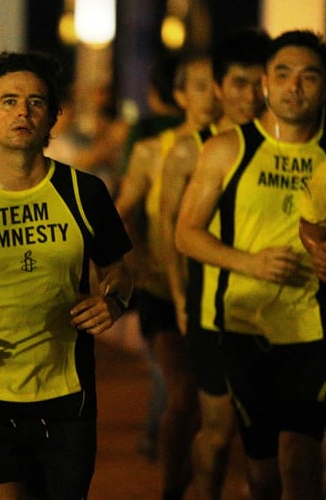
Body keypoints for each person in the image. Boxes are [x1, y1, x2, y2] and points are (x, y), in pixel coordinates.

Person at [0, 50, 132, 499]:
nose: (23, 111)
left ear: (53, 117)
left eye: (36, 102)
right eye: (8, 101)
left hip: (66, 398)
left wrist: (112, 301)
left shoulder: (84, 192)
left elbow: (118, 270)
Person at [175, 30, 326, 500]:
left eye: (309, 76)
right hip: (245, 326)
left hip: (316, 327)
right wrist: (251, 263)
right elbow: (185, 233)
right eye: (283, 74)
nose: (295, 87)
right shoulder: (227, 149)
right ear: (265, 83)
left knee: (303, 463)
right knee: (262, 472)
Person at [159, 28, 269, 500]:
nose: (250, 95)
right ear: (220, 88)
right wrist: (180, 298)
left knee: (270, 436)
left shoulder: (287, 145)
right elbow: (170, 229)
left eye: (258, 83)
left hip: (277, 310)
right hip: (212, 305)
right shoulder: (193, 147)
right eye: (238, 84)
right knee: (217, 429)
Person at [115, 52, 217, 499]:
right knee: (184, 391)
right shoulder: (153, 151)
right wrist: (136, 258)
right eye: (198, 86)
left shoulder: (239, 147)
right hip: (162, 288)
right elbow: (122, 212)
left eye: (218, 85)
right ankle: (173, 486)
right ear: (179, 95)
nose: (211, 96)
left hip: (223, 290)